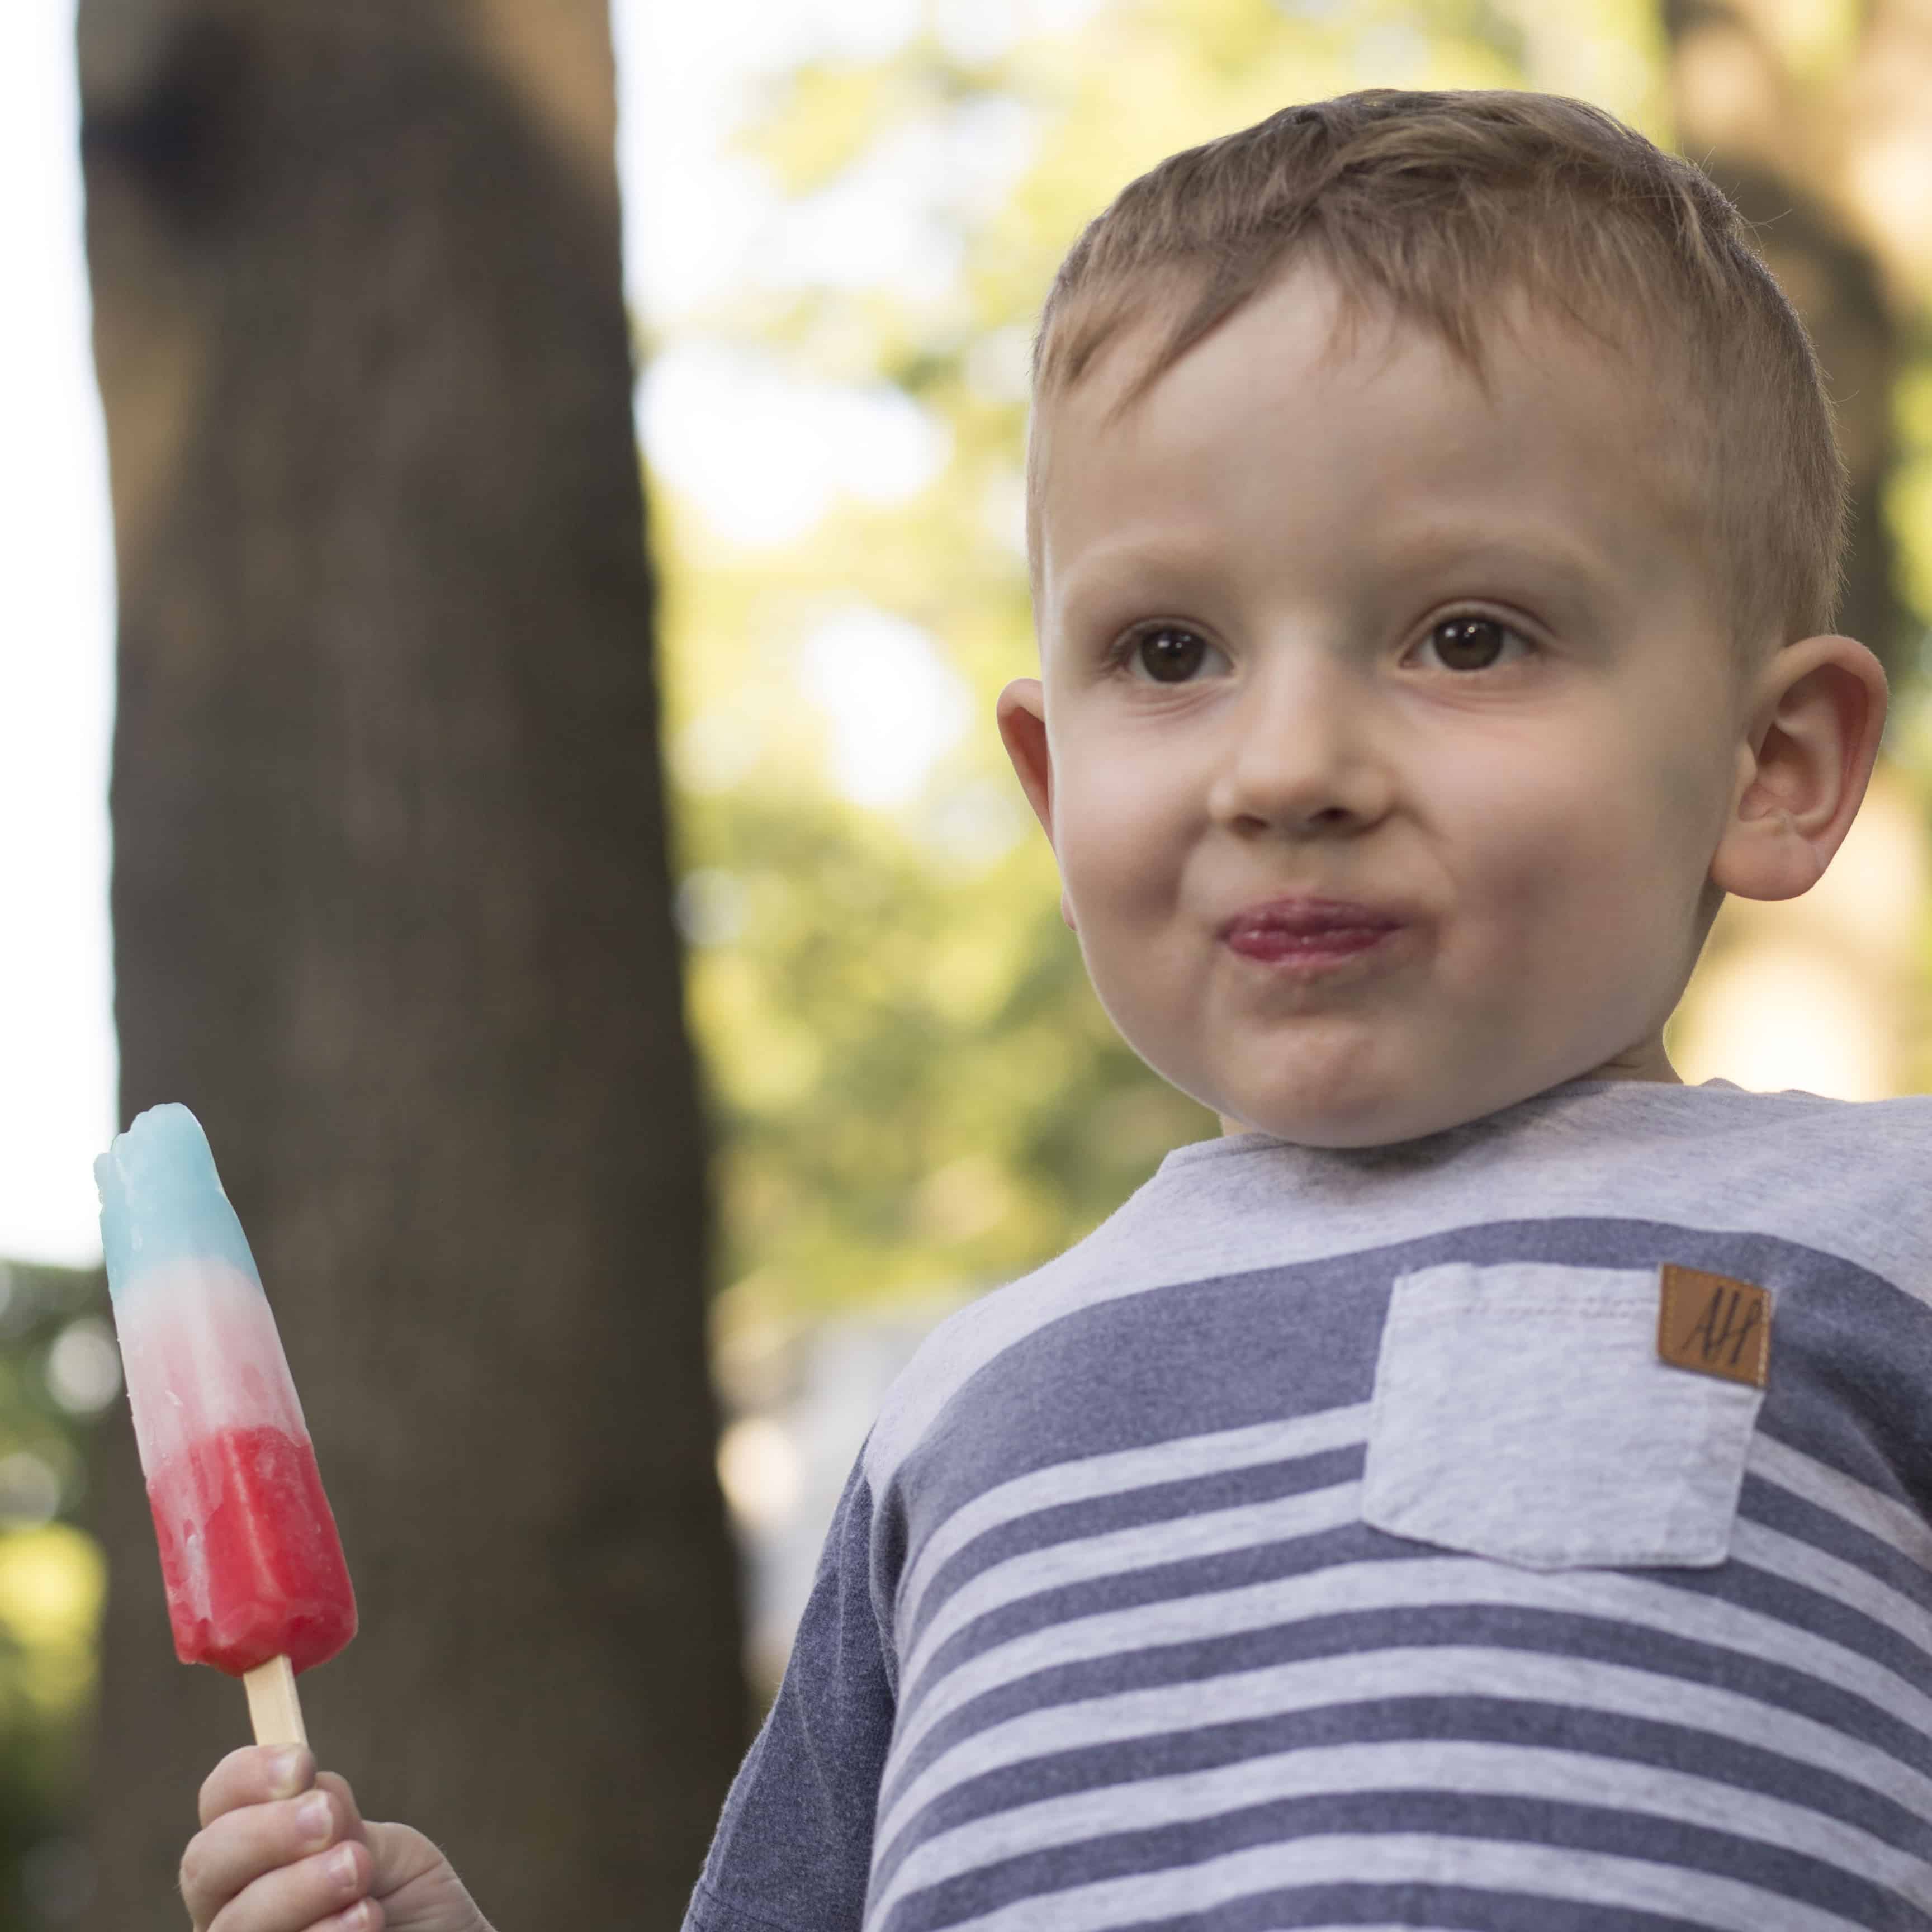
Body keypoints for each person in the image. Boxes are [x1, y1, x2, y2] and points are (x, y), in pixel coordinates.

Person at [178, 85, 1928, 1932]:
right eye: (1169, 654)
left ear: (1773, 764)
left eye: (1467, 635)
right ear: (1048, 774)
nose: (1290, 767)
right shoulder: (962, 1412)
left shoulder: (1884, 1242)